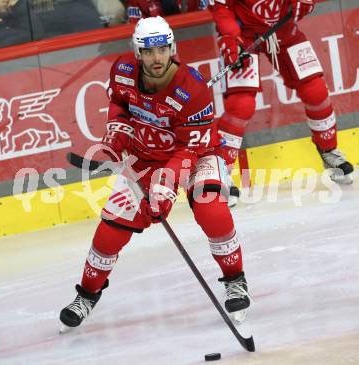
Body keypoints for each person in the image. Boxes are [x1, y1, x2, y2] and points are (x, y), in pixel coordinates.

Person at [60, 16, 251, 329]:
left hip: (197, 155)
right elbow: (119, 105)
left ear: (172, 48)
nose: (157, 58)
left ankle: (235, 280)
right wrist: (114, 138)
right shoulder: (122, 70)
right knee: (110, 232)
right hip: (144, 159)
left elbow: (189, 150)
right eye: (149, 52)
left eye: (162, 49)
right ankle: (87, 295)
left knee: (211, 209)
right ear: (138, 52)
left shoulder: (193, 88)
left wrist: (165, 186)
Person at [209, 0, 354, 193]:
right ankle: (220, 171)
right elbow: (220, 7)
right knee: (241, 104)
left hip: (284, 30)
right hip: (241, 35)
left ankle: (329, 151)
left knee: (315, 90)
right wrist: (229, 36)